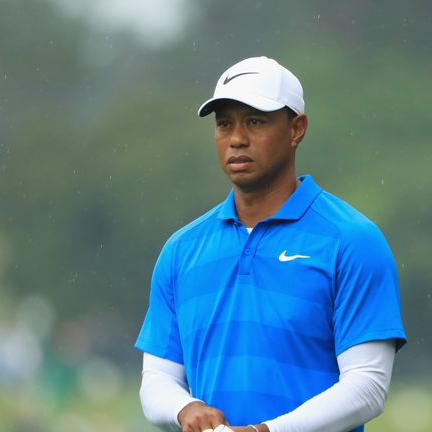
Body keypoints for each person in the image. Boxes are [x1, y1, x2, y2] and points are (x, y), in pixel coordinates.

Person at [135, 56, 407, 432]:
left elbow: (367, 386)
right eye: (224, 123)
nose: (236, 138)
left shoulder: (352, 241)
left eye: (255, 121)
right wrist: (187, 408)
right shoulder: (181, 250)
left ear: (297, 129)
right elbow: (157, 380)